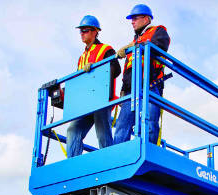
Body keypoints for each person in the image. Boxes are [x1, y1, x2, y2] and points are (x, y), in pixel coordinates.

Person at [114, 4, 170, 144]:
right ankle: (118, 159)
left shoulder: (158, 31)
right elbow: (128, 69)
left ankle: (149, 152)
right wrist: (122, 90)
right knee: (122, 127)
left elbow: (159, 45)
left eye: (134, 18)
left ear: (146, 18)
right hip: (130, 91)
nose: (132, 22)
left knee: (150, 123)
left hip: (150, 86)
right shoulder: (134, 42)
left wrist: (135, 45)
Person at [66, 15, 121, 158]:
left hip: (102, 100)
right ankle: (73, 165)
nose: (82, 34)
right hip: (86, 103)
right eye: (81, 31)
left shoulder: (105, 49)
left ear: (95, 31)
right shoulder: (81, 57)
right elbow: (78, 81)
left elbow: (116, 68)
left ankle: (109, 164)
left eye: (85, 30)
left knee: (103, 134)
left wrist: (96, 70)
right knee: (73, 130)